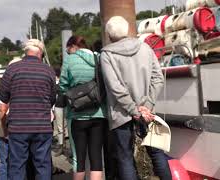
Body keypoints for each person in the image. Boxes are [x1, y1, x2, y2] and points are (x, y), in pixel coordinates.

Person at [101, 16, 172, 180]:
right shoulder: (145, 48)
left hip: (122, 113)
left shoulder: (106, 54)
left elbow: (115, 87)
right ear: (127, 29)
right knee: (156, 152)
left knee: (125, 157)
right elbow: (158, 78)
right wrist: (147, 105)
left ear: (108, 34)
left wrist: (134, 110)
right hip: (147, 112)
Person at [0, 39, 56, 180]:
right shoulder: (48, 71)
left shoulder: (12, 69)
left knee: (17, 165)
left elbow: (3, 97)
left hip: (18, 126)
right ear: (40, 53)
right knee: (43, 165)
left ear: (25, 51)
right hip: (42, 126)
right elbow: (52, 98)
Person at [59, 35, 107, 180]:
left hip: (77, 115)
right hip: (98, 113)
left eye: (68, 50)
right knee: (96, 158)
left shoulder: (69, 60)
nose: (68, 53)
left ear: (73, 46)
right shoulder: (98, 58)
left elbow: (62, 85)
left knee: (78, 159)